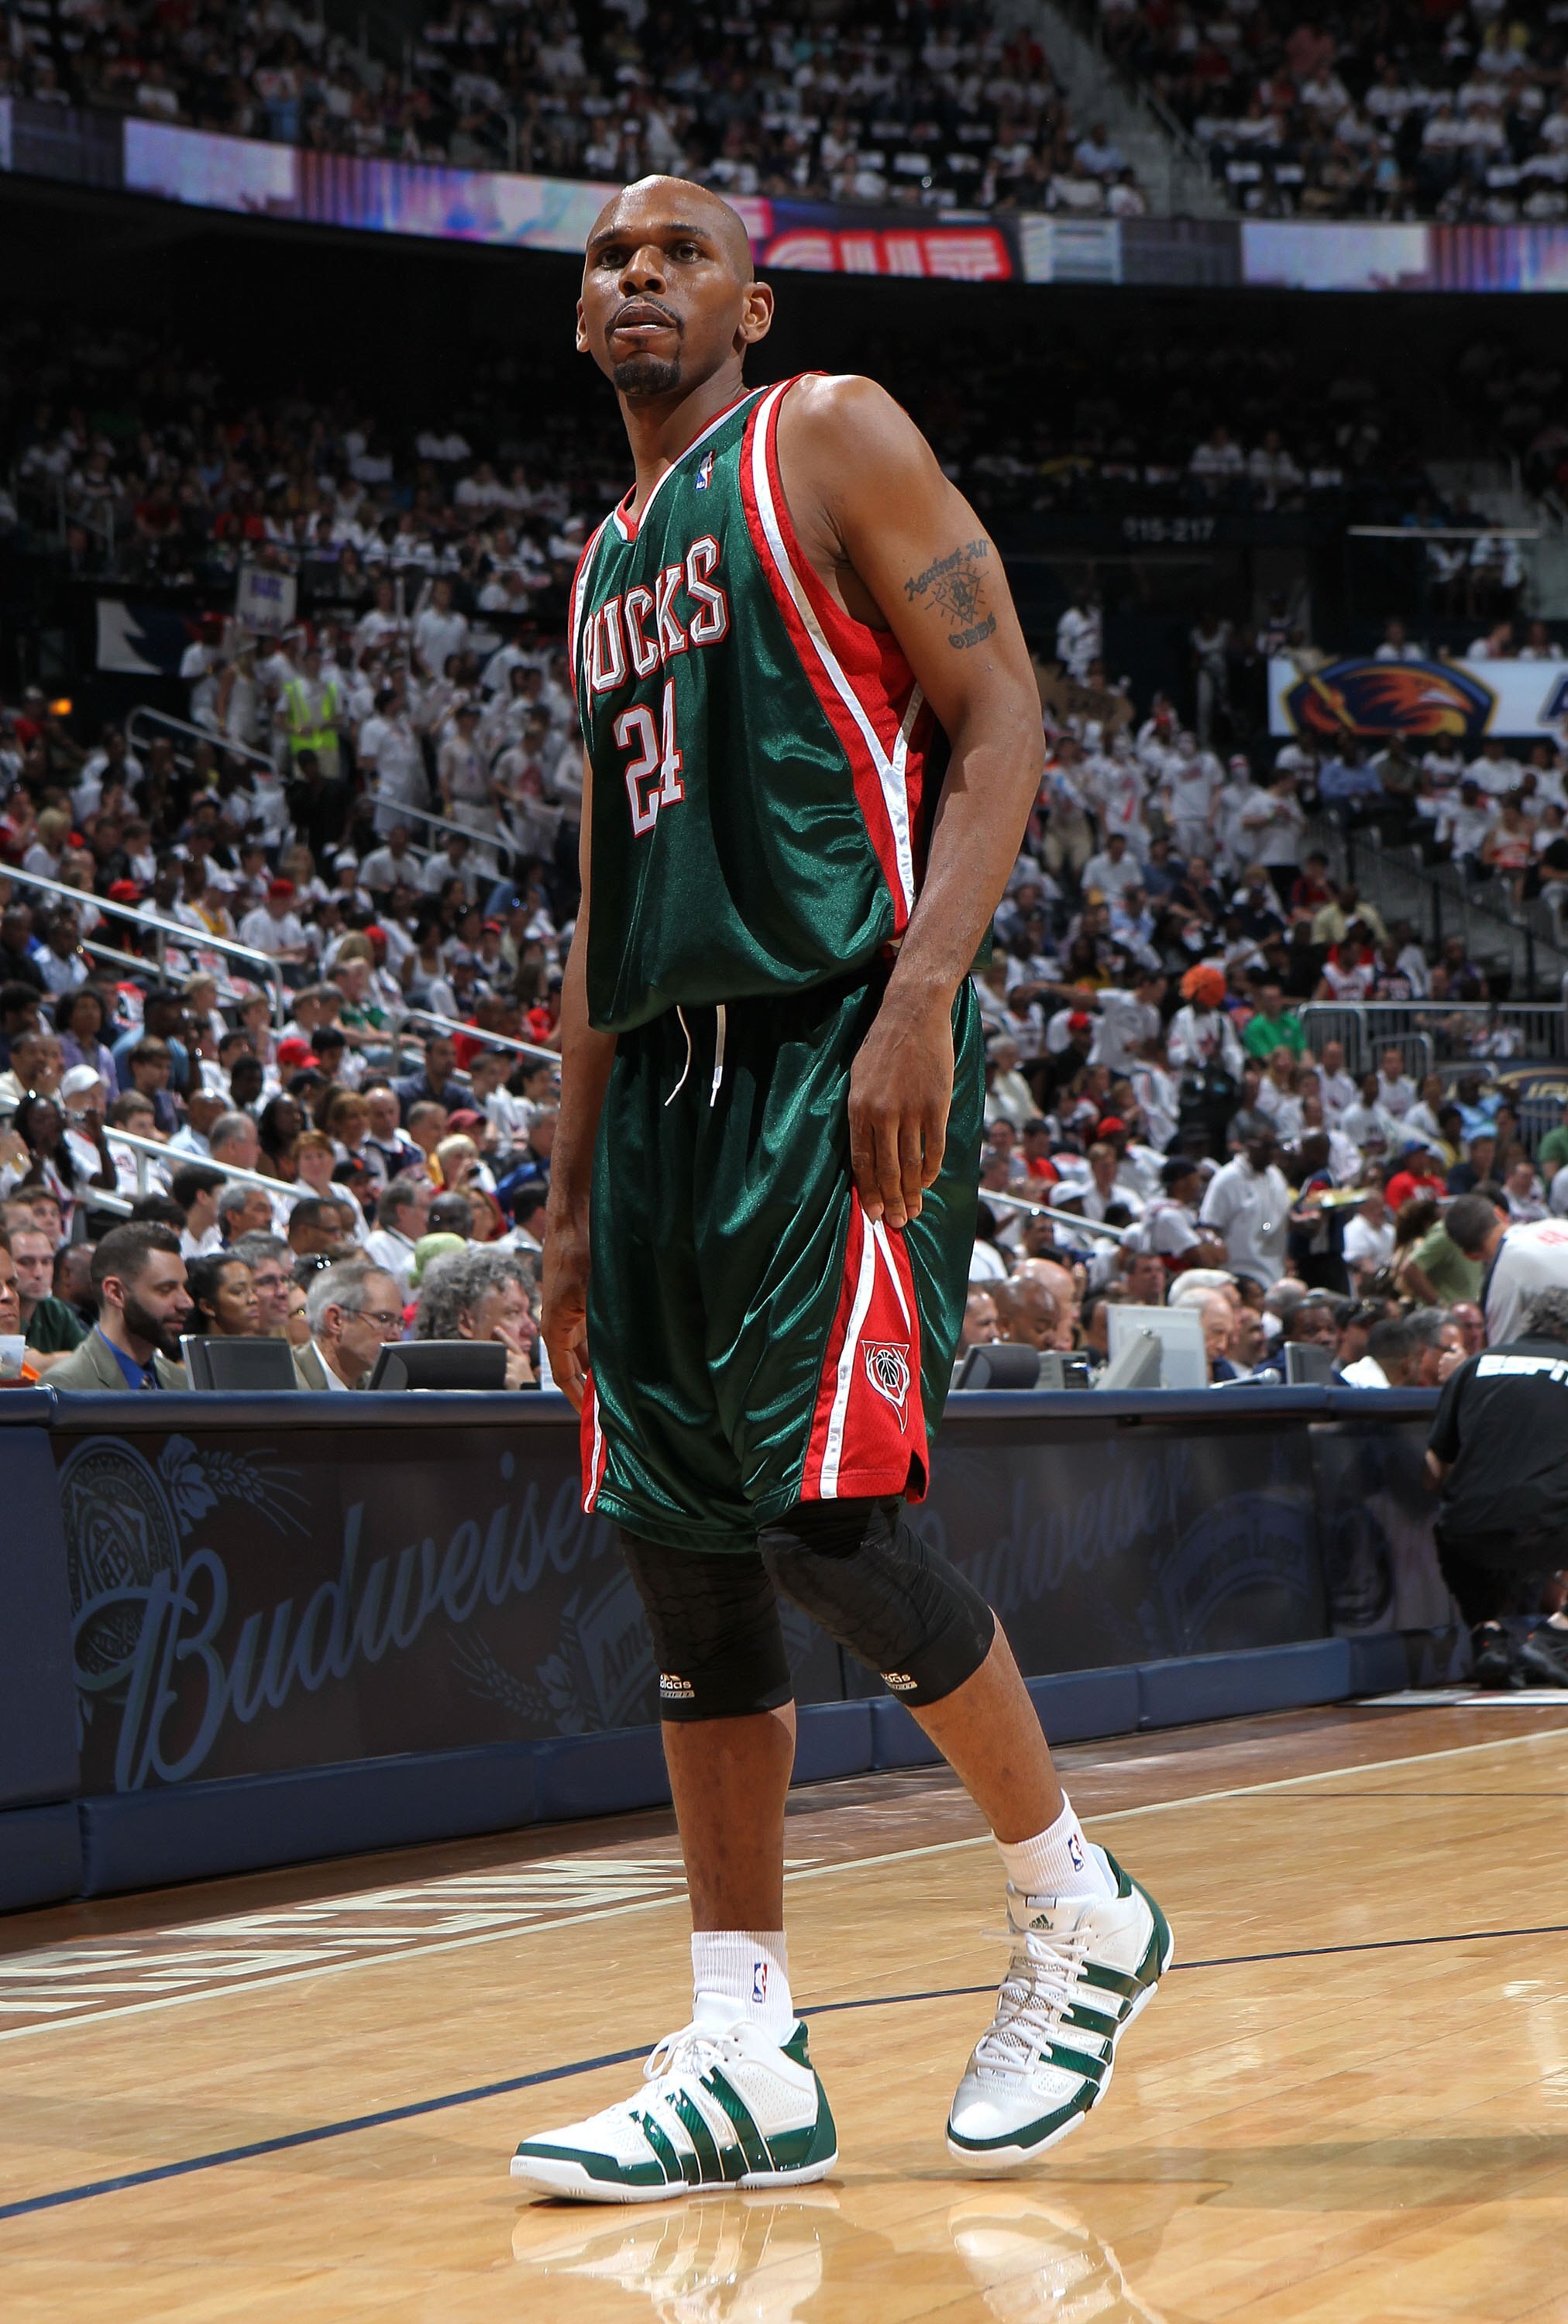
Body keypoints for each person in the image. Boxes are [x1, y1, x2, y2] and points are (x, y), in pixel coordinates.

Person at [516, 178, 1171, 2204]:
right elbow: (611, 899)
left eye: (679, 251)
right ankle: (744, 2045)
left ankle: (1077, 1911)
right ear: (579, 319)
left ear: (751, 301)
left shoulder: (831, 435)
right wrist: (558, 1200)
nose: (641, 275)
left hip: (833, 1046)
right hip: (662, 1105)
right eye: (610, 257)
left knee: (827, 1523)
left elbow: (1003, 715)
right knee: (686, 1562)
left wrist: (926, 1001)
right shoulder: (602, 561)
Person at [1427, 1287, 1568, 1688]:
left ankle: (1487, 1636)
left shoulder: (1473, 1367)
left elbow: (1433, 1468)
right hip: (1550, 1529)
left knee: (1450, 1522)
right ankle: (1555, 1636)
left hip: (1469, 1536)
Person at [46, 1222, 191, 1391]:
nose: (187, 1302)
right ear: (115, 1293)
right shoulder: (66, 1386)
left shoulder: (182, 1381)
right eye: (166, 1290)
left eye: (184, 1288)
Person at [413, 1243, 538, 1387]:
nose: (531, 1328)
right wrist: (526, 1395)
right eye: (513, 1313)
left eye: (528, 1313)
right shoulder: (425, 1400)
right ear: (466, 1322)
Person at [291, 1256, 404, 1389]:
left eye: (399, 1323)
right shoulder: (285, 1383)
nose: (396, 1336)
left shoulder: (381, 1389)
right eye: (384, 1319)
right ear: (335, 1321)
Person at [1198, 1130, 1290, 1286]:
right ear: (1248, 1145)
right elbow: (1209, 1225)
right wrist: (1215, 1244)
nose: (1272, 1152)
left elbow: (1278, 1216)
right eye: (1265, 1146)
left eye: (1274, 1146)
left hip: (1275, 1270)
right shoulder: (1227, 1179)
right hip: (1241, 1272)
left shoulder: (1276, 1175)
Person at [8, 1218, 86, 1369]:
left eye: (46, 1262)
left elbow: (94, 1358)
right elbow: (16, 1365)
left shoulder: (55, 1311)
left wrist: (45, 1360)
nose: (38, 1273)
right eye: (25, 1262)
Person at [186, 1250, 260, 1339]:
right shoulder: (190, 1351)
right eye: (239, 1291)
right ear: (208, 1306)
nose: (254, 1299)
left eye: (254, 1290)